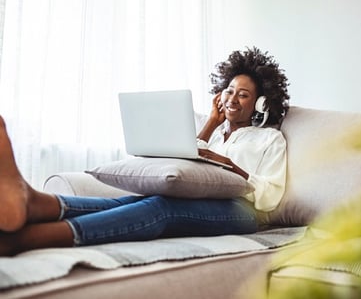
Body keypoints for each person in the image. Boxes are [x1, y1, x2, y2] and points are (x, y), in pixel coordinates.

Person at [0, 47, 290, 256]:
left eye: (243, 94)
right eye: (229, 90)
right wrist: (212, 124)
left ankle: (29, 239)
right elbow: (185, 160)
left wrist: (229, 165)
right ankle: (36, 204)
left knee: (161, 209)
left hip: (244, 214)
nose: (232, 99)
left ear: (260, 103)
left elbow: (270, 196)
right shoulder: (211, 133)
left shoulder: (269, 139)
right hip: (200, 197)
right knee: (137, 201)